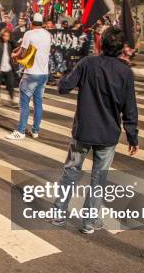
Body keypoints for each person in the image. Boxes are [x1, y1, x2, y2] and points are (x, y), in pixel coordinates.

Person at [51, 27, 139, 234]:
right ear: (121, 48)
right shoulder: (125, 71)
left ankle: (58, 214)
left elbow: (63, 87)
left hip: (83, 130)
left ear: (101, 43)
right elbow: (130, 109)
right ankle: (89, 222)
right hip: (108, 134)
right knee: (99, 179)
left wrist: (72, 69)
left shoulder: (87, 63)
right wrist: (133, 137)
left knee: (70, 172)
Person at [6, 13, 51, 140]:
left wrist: (14, 55)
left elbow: (23, 53)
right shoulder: (48, 35)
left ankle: (20, 131)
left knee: (24, 103)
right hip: (44, 74)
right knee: (38, 103)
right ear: (42, 23)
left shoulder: (29, 34)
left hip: (31, 74)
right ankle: (35, 131)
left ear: (31, 22)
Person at [0, 28, 17, 107]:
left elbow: (16, 47)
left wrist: (12, 40)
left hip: (8, 67)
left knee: (10, 84)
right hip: (0, 68)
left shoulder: (10, 44)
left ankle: (12, 99)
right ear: (2, 36)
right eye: (5, 36)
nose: (6, 37)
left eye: (8, 36)